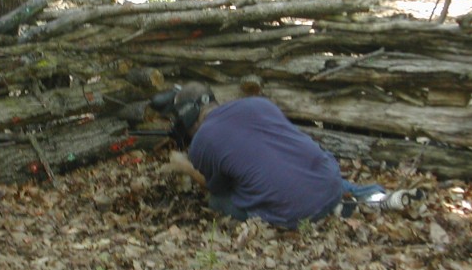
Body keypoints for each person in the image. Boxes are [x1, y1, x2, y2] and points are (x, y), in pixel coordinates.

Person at [163, 82, 386, 229]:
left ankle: (320, 209)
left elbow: (217, 188)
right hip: (329, 180)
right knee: (297, 166)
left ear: (187, 116)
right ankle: (370, 195)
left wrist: (186, 167)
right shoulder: (259, 103)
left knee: (219, 201)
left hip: (292, 212)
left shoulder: (202, 140)